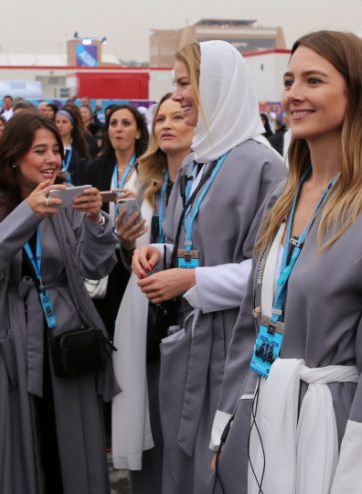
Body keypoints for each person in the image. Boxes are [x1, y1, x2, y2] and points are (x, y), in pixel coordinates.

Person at [209, 30, 362, 494]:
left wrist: (360, 477)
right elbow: (250, 327)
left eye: (313, 80)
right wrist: (227, 423)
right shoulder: (280, 199)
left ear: (359, 96)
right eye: (288, 81)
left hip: (334, 433)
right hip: (261, 417)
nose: (293, 94)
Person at [130, 40, 286, 494]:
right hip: (191, 337)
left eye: (186, 83)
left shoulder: (263, 165)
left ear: (216, 85)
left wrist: (193, 279)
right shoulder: (200, 160)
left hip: (233, 344)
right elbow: (195, 242)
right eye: (175, 83)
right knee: (184, 463)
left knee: (219, 465)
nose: (177, 96)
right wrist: (160, 251)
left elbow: (274, 272)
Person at [0, 111, 118, 494]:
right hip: (7, 327)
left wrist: (96, 222)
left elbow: (94, 266)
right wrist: (27, 213)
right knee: (15, 428)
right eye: (40, 150)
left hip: (64, 329)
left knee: (67, 435)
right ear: (14, 156)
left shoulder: (64, 197)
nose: (51, 160)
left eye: (56, 150)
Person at [109, 93, 194, 492]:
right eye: (161, 118)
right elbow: (127, 250)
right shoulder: (142, 180)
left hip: (192, 305)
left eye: (179, 116)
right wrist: (126, 242)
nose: (168, 124)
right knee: (146, 406)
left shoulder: (207, 178)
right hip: (145, 309)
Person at [86, 104, 148, 338]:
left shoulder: (149, 167)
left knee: (134, 330)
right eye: (113, 123)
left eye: (126, 123)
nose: (118, 129)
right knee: (106, 327)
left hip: (139, 255)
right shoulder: (95, 168)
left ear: (138, 132)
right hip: (104, 257)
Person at [55, 105, 90, 185]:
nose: (60, 125)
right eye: (57, 122)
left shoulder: (80, 146)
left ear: (72, 126)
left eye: (64, 122)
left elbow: (87, 171)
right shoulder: (51, 147)